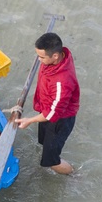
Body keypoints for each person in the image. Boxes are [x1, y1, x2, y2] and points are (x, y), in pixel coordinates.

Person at [16, 33, 79, 175]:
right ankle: (47, 152)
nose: (38, 60)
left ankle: (74, 175)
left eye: (41, 57)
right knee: (43, 143)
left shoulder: (62, 83)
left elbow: (52, 114)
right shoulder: (58, 59)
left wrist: (29, 120)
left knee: (52, 162)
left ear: (55, 56)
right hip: (46, 110)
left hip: (59, 120)